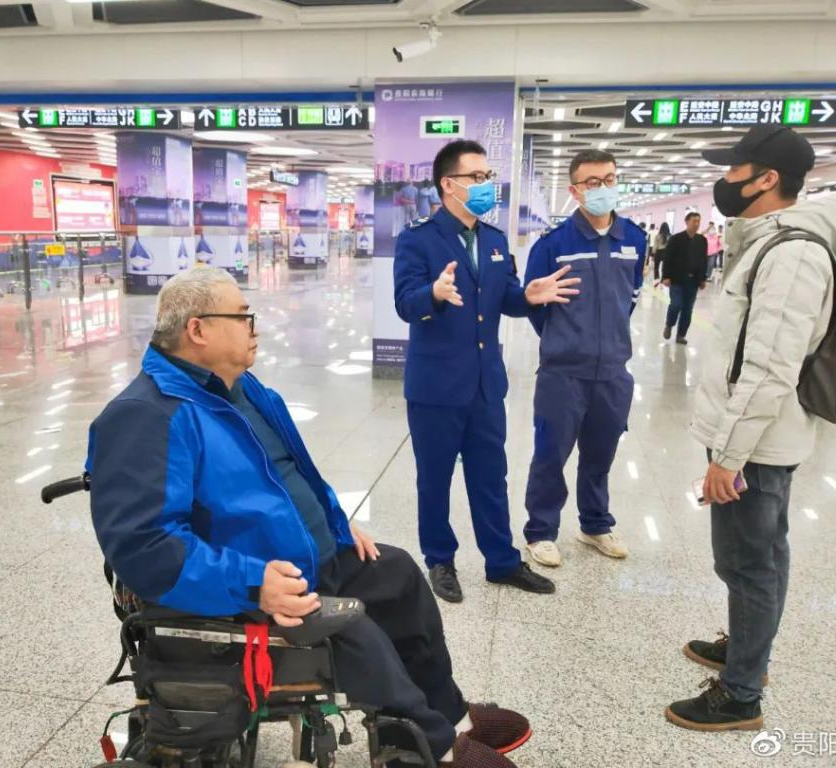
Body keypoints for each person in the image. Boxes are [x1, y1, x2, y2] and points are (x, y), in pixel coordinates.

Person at [88, 268, 534, 768]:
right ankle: (434, 746)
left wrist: (334, 522)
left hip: (305, 559)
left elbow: (294, 474)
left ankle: (453, 716)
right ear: (198, 329)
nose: (254, 327)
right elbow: (144, 547)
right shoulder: (148, 415)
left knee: (399, 575)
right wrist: (254, 583)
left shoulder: (240, 389)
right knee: (354, 631)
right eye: (242, 316)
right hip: (248, 587)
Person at [666, 125, 836, 732]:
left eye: (733, 169)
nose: (724, 180)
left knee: (748, 562)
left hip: (755, 443)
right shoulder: (769, 242)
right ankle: (748, 649)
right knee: (761, 553)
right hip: (757, 436)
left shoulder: (791, 254)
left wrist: (728, 457)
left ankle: (741, 693)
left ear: (766, 178)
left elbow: (771, 365)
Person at [393, 139, 579, 603]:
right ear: (448, 184)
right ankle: (440, 559)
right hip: (436, 387)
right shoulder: (418, 238)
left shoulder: (494, 240)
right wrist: (433, 294)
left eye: (487, 177)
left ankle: (501, 561)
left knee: (491, 477)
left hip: (485, 385)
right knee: (434, 479)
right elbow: (405, 303)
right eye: (475, 177)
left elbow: (504, 297)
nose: (485, 186)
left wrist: (527, 296)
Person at [520, 149, 646, 567]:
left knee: (600, 454)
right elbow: (535, 304)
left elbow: (630, 298)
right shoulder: (553, 244)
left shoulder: (634, 239)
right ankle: (540, 531)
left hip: (613, 372)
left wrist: (608, 341)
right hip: (563, 373)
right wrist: (566, 340)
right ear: (574, 191)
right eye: (592, 182)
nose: (602, 188)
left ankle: (594, 524)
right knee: (550, 455)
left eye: (609, 179)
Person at [661, 212, 709, 345]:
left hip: (693, 281)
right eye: (694, 221)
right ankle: (669, 324)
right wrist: (665, 276)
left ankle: (681, 335)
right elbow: (667, 258)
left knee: (687, 310)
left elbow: (703, 260)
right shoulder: (676, 239)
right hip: (677, 279)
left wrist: (703, 278)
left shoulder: (702, 240)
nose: (697, 224)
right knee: (676, 305)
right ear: (686, 222)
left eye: (698, 221)